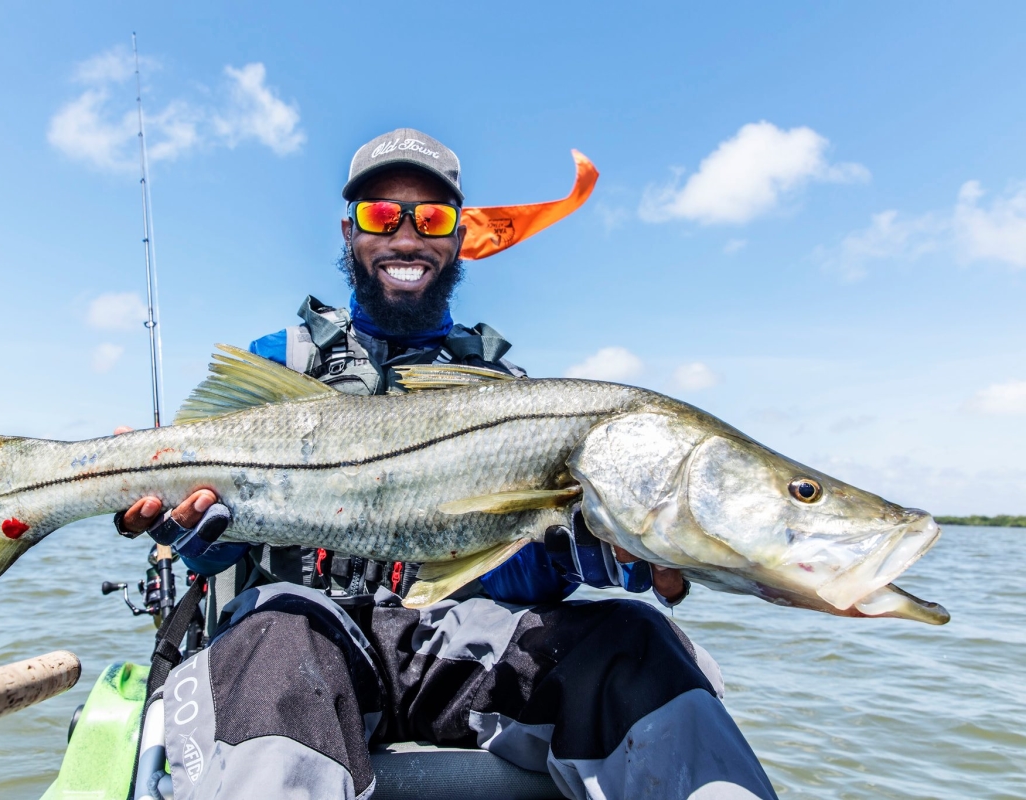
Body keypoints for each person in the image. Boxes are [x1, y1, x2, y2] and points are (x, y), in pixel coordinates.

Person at [117, 129, 777, 800]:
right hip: (308, 630)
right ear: (350, 232)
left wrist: (610, 553)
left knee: (643, 641)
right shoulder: (278, 361)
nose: (407, 237)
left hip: (461, 644)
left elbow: (522, 573)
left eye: (432, 218)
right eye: (382, 215)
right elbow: (217, 555)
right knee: (269, 639)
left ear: (459, 237)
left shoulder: (509, 390)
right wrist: (190, 541)